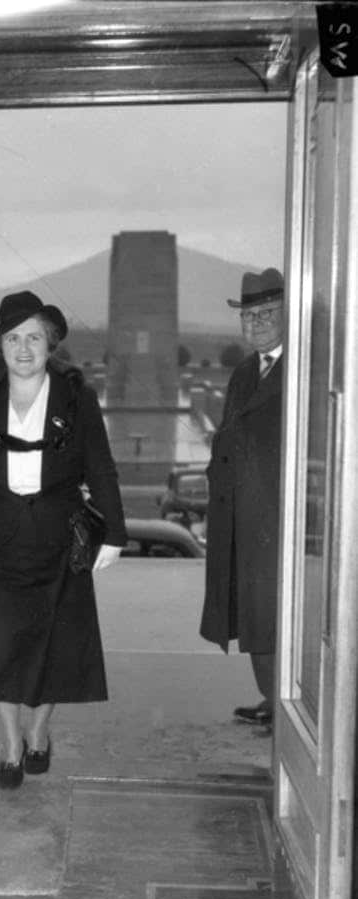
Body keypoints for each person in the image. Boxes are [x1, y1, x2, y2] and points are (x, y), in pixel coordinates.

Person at [0, 290, 127, 788]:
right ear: (0, 345)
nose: (24, 348)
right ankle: (11, 743)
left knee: (55, 647)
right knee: (0, 648)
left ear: (51, 344)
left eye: (34, 338)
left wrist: (114, 533)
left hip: (60, 539)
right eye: (14, 338)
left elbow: (99, 464)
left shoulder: (76, 396)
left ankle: (39, 731)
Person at [200, 268, 285, 734]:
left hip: (277, 514)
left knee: (273, 611)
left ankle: (285, 703)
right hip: (241, 513)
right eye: (248, 316)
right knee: (252, 612)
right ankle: (271, 698)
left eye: (266, 314)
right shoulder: (244, 372)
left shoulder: (303, 372)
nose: (255, 324)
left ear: (288, 316)